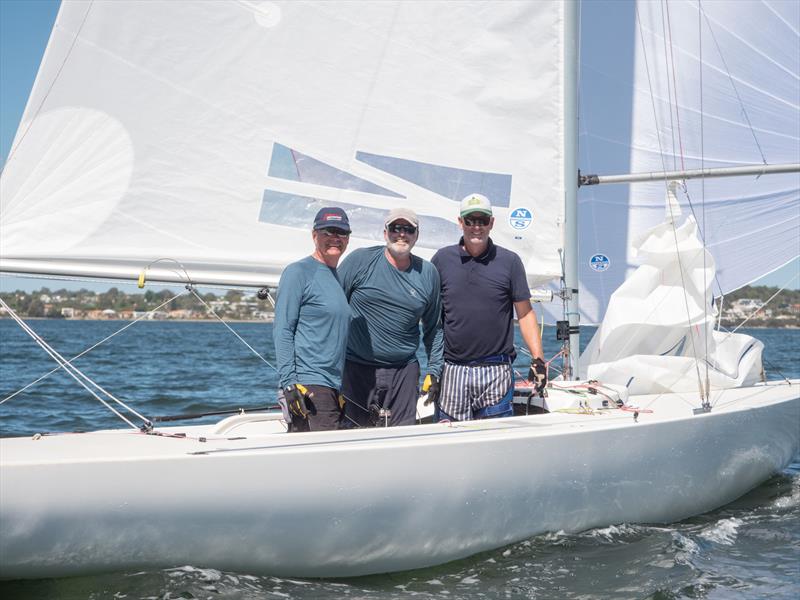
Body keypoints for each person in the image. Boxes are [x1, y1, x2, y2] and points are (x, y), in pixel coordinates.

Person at [430, 193, 547, 421]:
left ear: (491, 223)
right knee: (450, 438)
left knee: (496, 438)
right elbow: (431, 317)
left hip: (496, 370)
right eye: (470, 221)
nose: (476, 227)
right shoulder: (441, 260)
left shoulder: (510, 261)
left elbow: (524, 313)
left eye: (482, 220)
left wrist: (538, 360)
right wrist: (432, 369)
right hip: (453, 369)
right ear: (460, 222)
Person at [337, 208, 443, 427]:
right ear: (385, 232)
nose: (401, 234)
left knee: (403, 438)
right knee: (353, 435)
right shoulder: (360, 260)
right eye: (396, 228)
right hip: (356, 368)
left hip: (404, 371)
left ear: (417, 235)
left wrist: (434, 371)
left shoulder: (428, 272)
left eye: (408, 229)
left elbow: (434, 328)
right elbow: (332, 311)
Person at [273, 207, 352, 432]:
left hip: (331, 386)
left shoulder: (336, 277)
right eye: (328, 232)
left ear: (348, 238)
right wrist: (289, 383)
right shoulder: (298, 272)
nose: (335, 238)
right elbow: (283, 330)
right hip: (309, 386)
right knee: (323, 454)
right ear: (314, 235)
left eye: (341, 232)